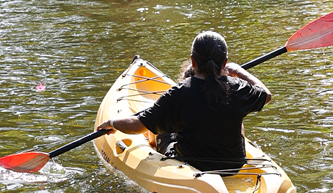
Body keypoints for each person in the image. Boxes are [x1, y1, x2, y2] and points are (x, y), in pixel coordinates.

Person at [101, 31, 271, 173]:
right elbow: (266, 95)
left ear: (193, 61)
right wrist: (239, 71)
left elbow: (137, 125)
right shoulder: (238, 87)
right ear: (225, 63)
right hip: (234, 166)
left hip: (192, 165)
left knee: (162, 128)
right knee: (238, 117)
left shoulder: (180, 92)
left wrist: (112, 122)